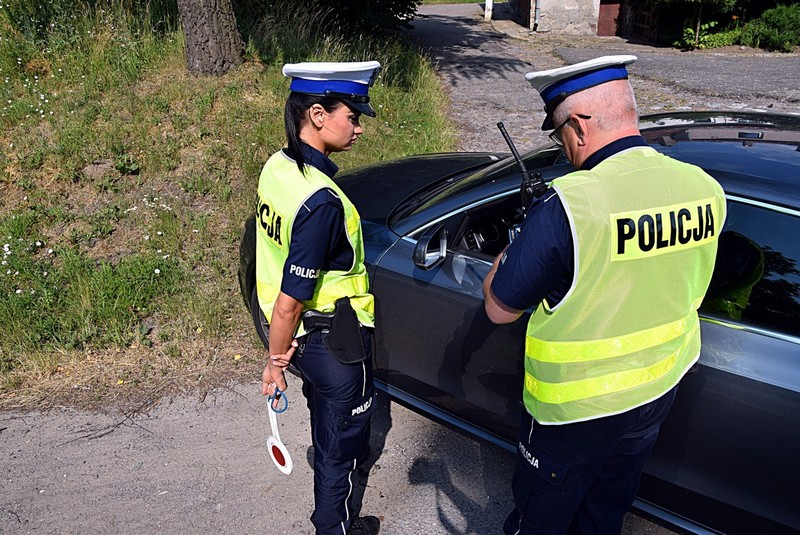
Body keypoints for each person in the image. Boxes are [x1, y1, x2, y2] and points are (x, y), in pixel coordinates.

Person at [481, 55, 727, 534]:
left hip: (574, 415)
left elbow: (499, 308)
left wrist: (513, 249)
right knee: (603, 517)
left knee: (540, 522)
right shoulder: (704, 188)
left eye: (557, 134)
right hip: (656, 393)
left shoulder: (571, 204)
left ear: (578, 126)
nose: (563, 146)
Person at [256, 61, 382, 535]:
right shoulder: (321, 203)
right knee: (342, 452)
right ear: (316, 113)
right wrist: (273, 363)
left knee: (326, 431)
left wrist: (277, 348)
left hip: (299, 340)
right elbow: (292, 298)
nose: (359, 128)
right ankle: (336, 528)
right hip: (333, 341)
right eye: (353, 116)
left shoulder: (279, 166)